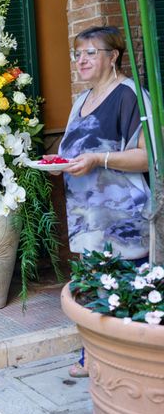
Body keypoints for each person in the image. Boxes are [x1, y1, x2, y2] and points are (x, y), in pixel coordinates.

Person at [46, 26, 151, 377]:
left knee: (125, 290)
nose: (82, 60)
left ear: (113, 56)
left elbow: (149, 157)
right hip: (87, 215)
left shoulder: (130, 95)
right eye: (78, 54)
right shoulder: (82, 99)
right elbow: (74, 151)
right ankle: (93, 357)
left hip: (123, 218)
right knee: (94, 287)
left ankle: (129, 365)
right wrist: (60, 165)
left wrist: (97, 160)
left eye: (91, 53)